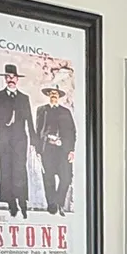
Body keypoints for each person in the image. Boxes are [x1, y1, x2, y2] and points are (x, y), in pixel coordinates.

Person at [0, 63, 36, 218]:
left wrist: (34, 141)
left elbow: (29, 120)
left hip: (20, 139)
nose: (11, 79)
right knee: (6, 169)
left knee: (20, 169)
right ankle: (11, 202)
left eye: (13, 77)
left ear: (17, 79)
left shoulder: (24, 98)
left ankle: (22, 202)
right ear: (5, 79)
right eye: (8, 77)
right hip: (4, 138)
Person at [35, 84, 77, 215]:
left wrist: (71, 150)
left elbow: (72, 131)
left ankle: (59, 202)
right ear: (48, 95)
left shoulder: (65, 112)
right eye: (52, 93)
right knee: (48, 178)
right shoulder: (42, 110)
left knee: (66, 178)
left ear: (59, 96)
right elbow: (38, 130)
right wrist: (38, 151)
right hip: (47, 149)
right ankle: (52, 205)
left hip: (62, 150)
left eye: (56, 93)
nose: (54, 95)